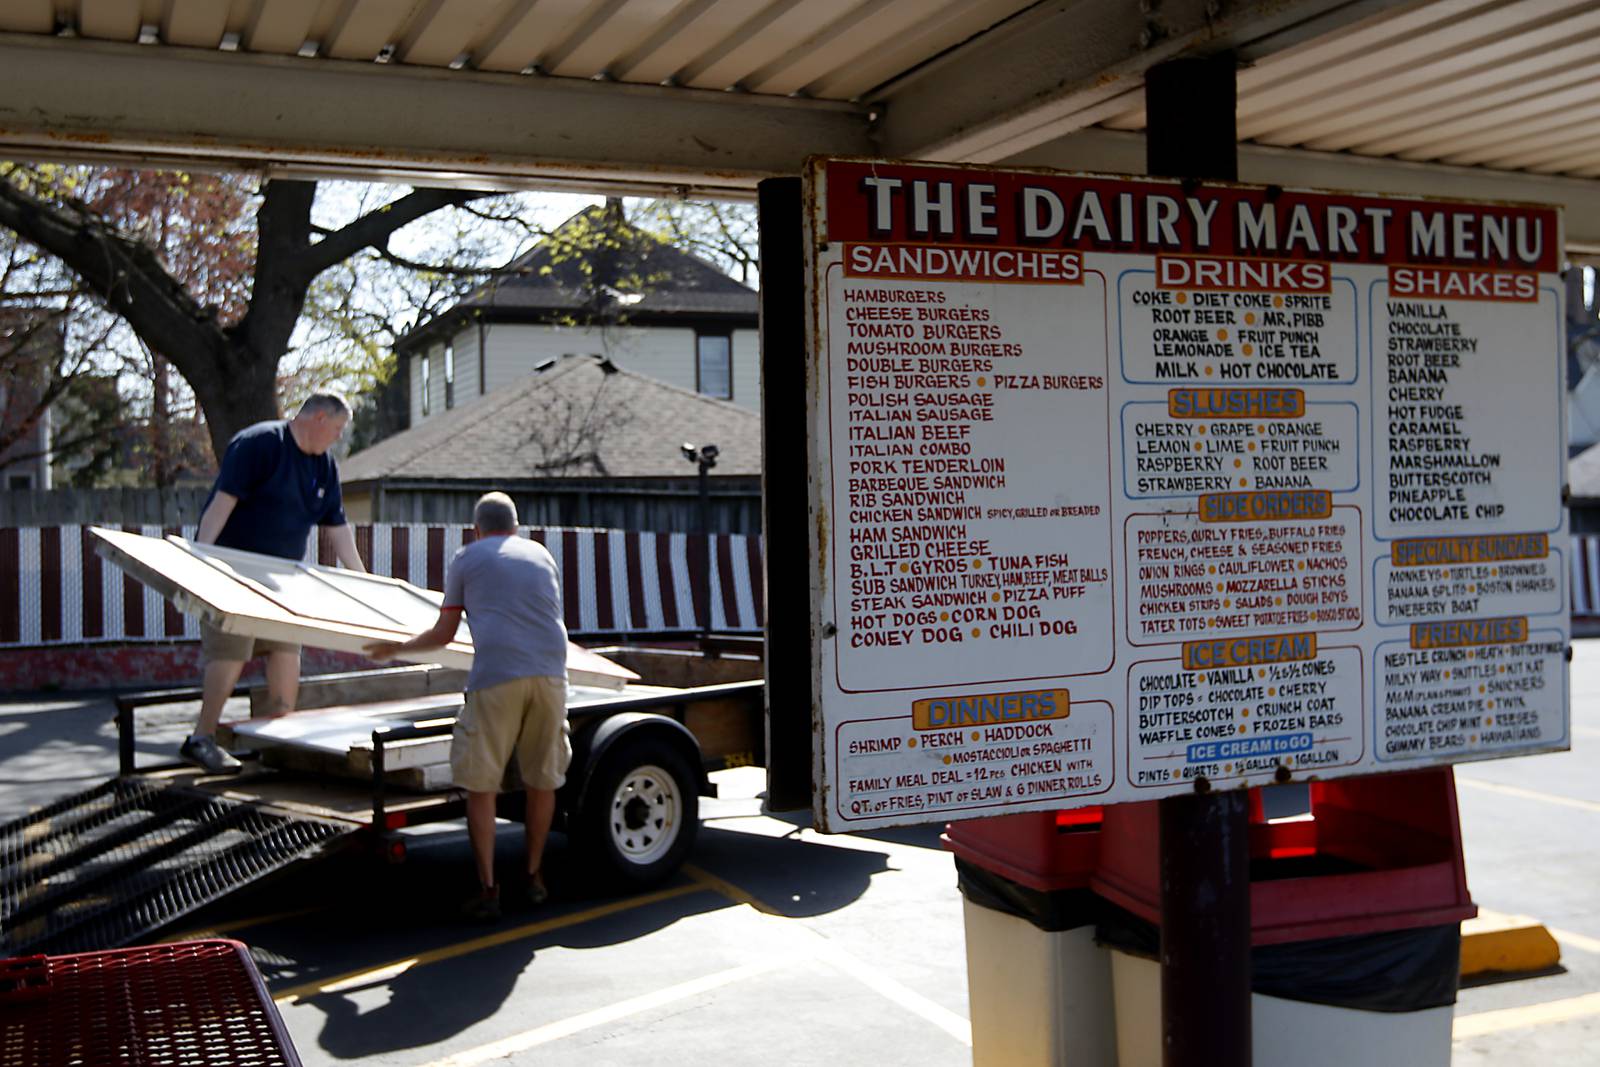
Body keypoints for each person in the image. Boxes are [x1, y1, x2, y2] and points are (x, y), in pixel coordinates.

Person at [365, 492, 569, 922]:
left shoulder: (468, 557)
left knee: (482, 784)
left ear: (476, 529)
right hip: (552, 675)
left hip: (497, 677)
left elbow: (443, 633)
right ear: (515, 526)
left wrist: (396, 649)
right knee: (542, 779)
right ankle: (533, 878)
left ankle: (488, 888)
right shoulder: (541, 554)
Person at [180, 393, 366, 775]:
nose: (337, 438)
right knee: (230, 653)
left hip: (283, 581)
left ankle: (280, 740)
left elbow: (338, 527)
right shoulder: (261, 444)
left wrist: (361, 579)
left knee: (286, 652)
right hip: (232, 575)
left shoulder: (324, 468)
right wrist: (200, 563)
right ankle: (202, 738)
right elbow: (221, 504)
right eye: (336, 429)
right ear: (317, 417)